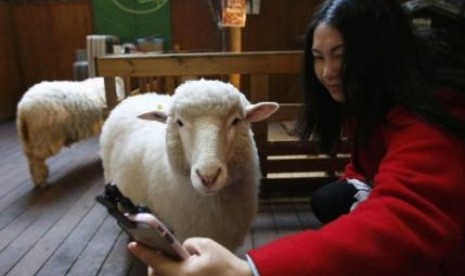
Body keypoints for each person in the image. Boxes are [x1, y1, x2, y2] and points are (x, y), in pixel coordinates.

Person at [128, 0, 465, 274]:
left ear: (378, 51)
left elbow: (409, 212)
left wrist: (249, 270)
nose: (328, 72)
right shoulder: (372, 100)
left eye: (341, 55)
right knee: (329, 198)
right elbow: (368, 161)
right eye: (318, 58)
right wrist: (359, 182)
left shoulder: (435, 112)